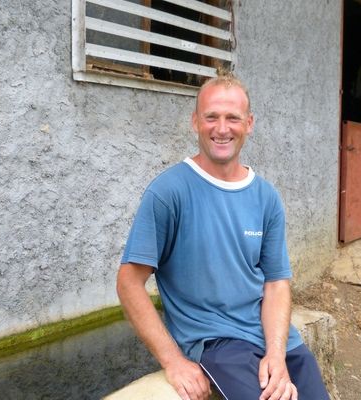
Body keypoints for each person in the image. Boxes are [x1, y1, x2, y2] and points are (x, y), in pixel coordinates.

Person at [117, 73, 330, 400]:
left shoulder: (266, 197)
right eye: (211, 117)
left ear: (249, 123)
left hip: (277, 341)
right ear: (195, 122)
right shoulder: (169, 192)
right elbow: (129, 283)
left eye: (233, 118)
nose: (221, 128)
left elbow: (276, 283)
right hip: (218, 344)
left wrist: (276, 354)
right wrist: (173, 361)